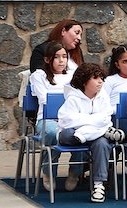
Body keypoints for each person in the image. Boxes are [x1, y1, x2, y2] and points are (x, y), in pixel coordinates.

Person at [57, 62, 125, 204]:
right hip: (77, 134)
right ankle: (104, 133)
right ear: (84, 81)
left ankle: (99, 185)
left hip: (93, 136)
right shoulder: (73, 98)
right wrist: (94, 122)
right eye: (95, 78)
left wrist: (85, 126)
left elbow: (106, 117)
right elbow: (67, 120)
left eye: (101, 78)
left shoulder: (103, 96)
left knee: (102, 144)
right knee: (67, 134)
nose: (100, 81)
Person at [32, 41, 76, 192]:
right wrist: (68, 100)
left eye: (64, 56)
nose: (61, 60)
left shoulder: (72, 75)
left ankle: (75, 171)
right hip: (47, 119)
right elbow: (45, 99)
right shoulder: (39, 76)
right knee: (52, 132)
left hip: (70, 118)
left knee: (84, 133)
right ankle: (48, 171)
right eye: (56, 57)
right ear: (47, 59)